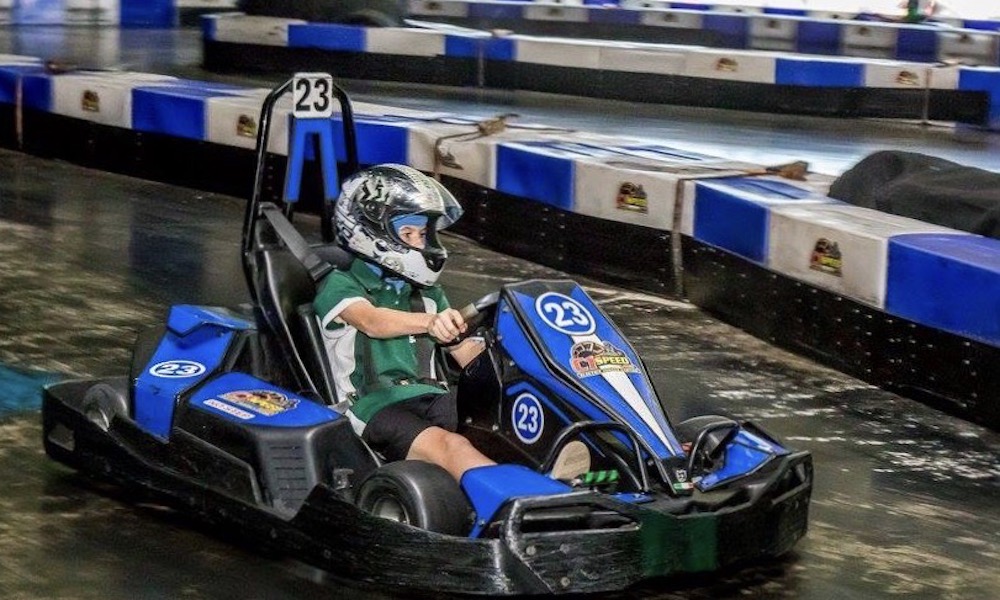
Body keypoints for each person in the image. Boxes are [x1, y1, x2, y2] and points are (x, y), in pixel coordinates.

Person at [313, 164, 494, 482]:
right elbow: (372, 322)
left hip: (431, 395)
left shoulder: (426, 292)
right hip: (372, 407)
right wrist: (431, 322)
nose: (421, 243)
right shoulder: (342, 285)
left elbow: (464, 353)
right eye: (408, 233)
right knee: (451, 445)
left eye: (423, 234)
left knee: (498, 420)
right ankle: (512, 501)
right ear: (374, 234)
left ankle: (559, 476)